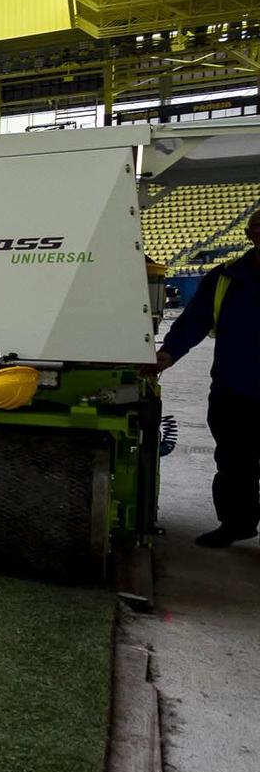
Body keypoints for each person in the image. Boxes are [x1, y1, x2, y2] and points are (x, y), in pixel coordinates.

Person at [154, 212, 260, 546]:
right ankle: (236, 524)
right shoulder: (226, 277)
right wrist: (167, 354)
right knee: (233, 461)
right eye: (258, 227)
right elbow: (194, 321)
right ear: (249, 233)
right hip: (234, 387)